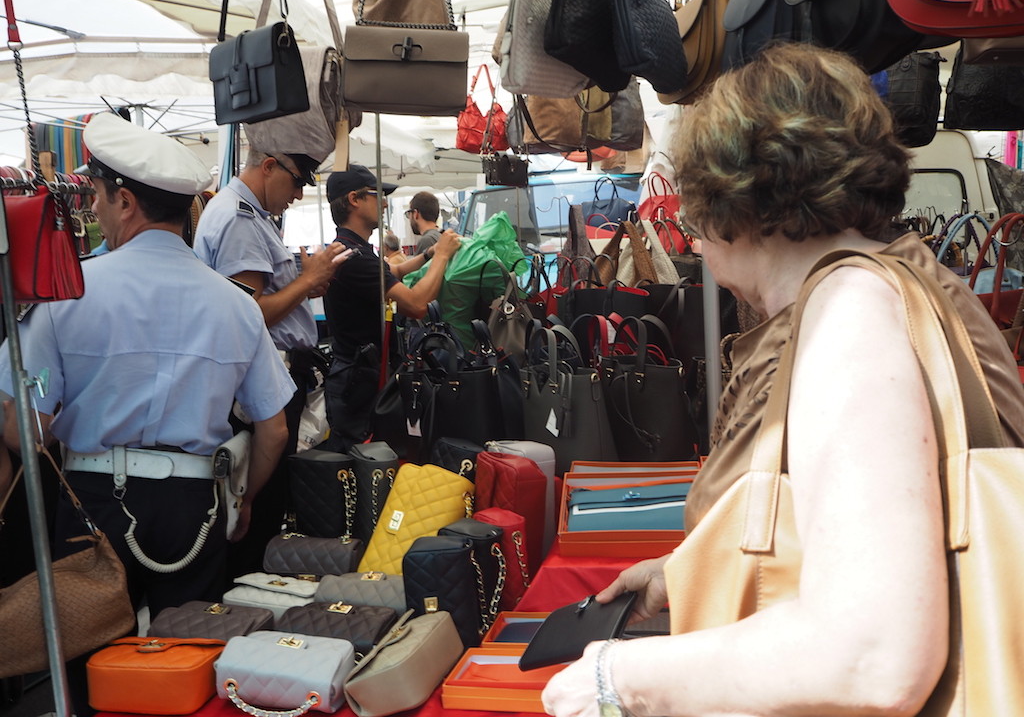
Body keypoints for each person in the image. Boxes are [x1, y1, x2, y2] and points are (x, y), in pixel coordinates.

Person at [541, 42, 1024, 717]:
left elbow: (872, 656)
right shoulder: (905, 281)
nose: (693, 237)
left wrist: (619, 677)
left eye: (691, 211)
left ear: (732, 200)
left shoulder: (850, 312)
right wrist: (694, 571)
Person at [0, 113, 294, 714]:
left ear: (126, 201)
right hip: (195, 504)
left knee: (90, 669)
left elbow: (23, 426)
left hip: (90, 501)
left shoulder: (68, 293)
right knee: (185, 667)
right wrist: (243, 502)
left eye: (99, 196)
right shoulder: (236, 305)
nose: (96, 210)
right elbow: (274, 429)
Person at [193, 146, 346, 577]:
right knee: (256, 507)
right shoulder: (240, 220)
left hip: (266, 371)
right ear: (269, 166)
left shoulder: (248, 214)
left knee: (260, 502)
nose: (298, 194)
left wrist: (304, 285)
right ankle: (243, 591)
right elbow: (249, 313)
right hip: (261, 376)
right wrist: (307, 281)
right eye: (296, 182)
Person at [322, 165, 461, 451]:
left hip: (358, 376)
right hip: (358, 382)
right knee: (364, 459)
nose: (384, 203)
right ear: (354, 199)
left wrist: (428, 254)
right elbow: (417, 305)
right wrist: (443, 257)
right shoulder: (355, 258)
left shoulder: (352, 249)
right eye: (377, 195)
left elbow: (391, 272)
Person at [407, 190, 441, 255]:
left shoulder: (426, 241)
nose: (409, 218)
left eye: (409, 214)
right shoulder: (441, 235)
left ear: (415, 214)